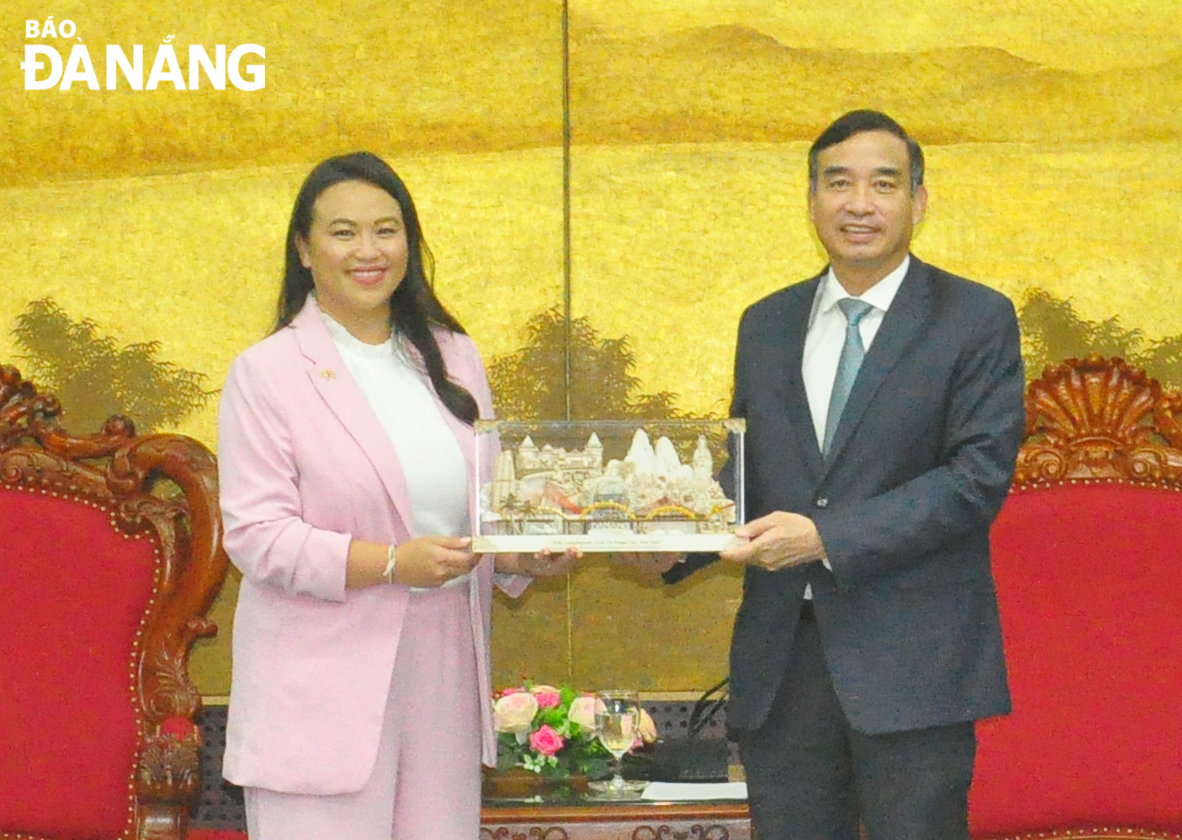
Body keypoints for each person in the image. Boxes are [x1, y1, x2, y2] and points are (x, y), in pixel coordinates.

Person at [656, 110, 1026, 839]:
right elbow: (746, 472)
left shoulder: (975, 318)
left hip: (914, 669)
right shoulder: (766, 322)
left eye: (882, 184)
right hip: (783, 666)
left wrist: (823, 536)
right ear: (812, 199)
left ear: (917, 200)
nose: (859, 203)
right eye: (839, 183)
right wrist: (672, 537)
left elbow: (975, 478)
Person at [216, 151, 573, 840]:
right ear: (304, 248)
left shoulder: (454, 357)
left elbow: (482, 514)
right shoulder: (266, 373)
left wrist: (530, 554)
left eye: (387, 230)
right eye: (343, 232)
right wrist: (389, 563)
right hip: (320, 687)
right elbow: (258, 538)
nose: (368, 251)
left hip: (442, 667)